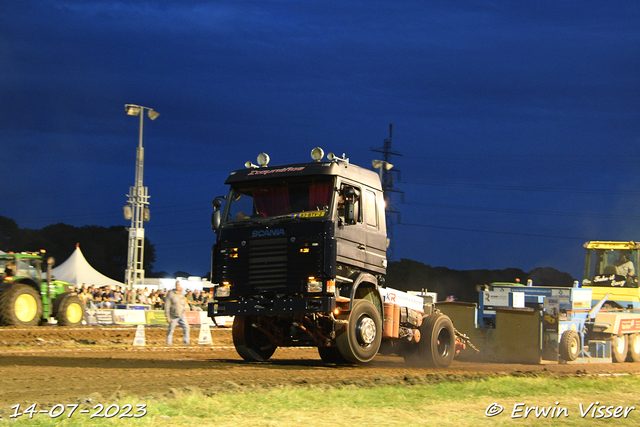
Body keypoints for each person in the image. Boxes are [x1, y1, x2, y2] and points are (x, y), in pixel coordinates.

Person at [165, 281, 190, 346]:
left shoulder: (181, 295)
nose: (178, 286)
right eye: (177, 285)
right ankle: (169, 344)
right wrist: (168, 316)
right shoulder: (170, 294)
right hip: (173, 315)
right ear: (175, 286)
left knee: (187, 328)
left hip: (181, 315)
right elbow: (167, 306)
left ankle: (186, 343)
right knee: (171, 330)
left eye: (179, 285)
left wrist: (184, 310)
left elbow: (184, 304)